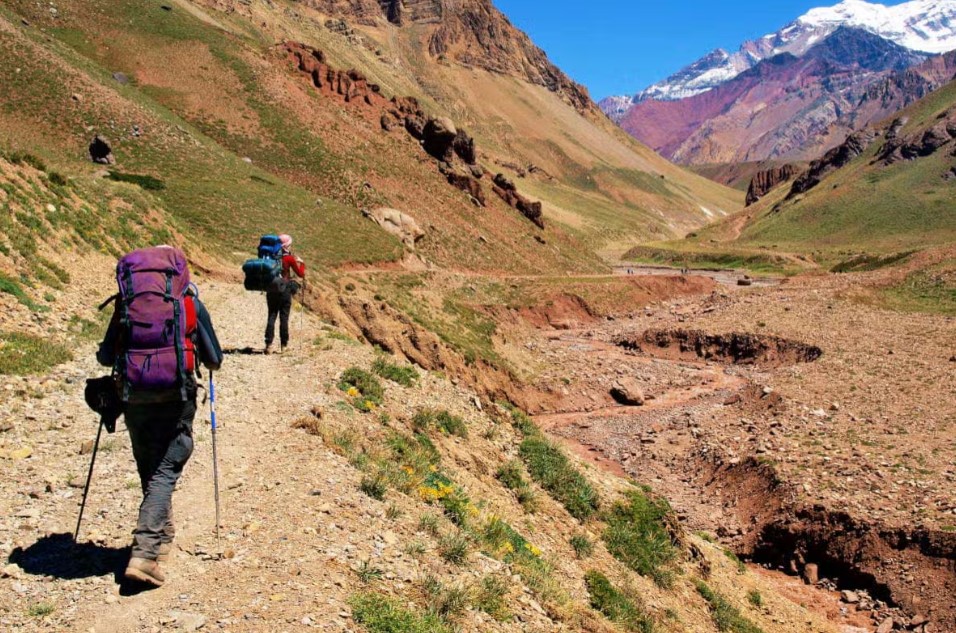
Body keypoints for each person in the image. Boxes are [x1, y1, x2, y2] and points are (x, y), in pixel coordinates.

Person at [97, 246, 223, 587]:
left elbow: (106, 358)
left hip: (133, 395)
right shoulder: (189, 303)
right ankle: (145, 552)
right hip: (176, 394)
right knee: (168, 466)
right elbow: (214, 360)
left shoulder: (126, 305)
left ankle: (162, 537)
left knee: (148, 465)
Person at [264, 234, 306, 354]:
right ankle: (284, 346)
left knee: (271, 316)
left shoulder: (271, 256)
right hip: (284, 290)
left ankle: (268, 345)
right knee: (284, 317)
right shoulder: (289, 258)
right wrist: (302, 263)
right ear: (287, 245)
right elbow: (301, 274)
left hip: (271, 289)